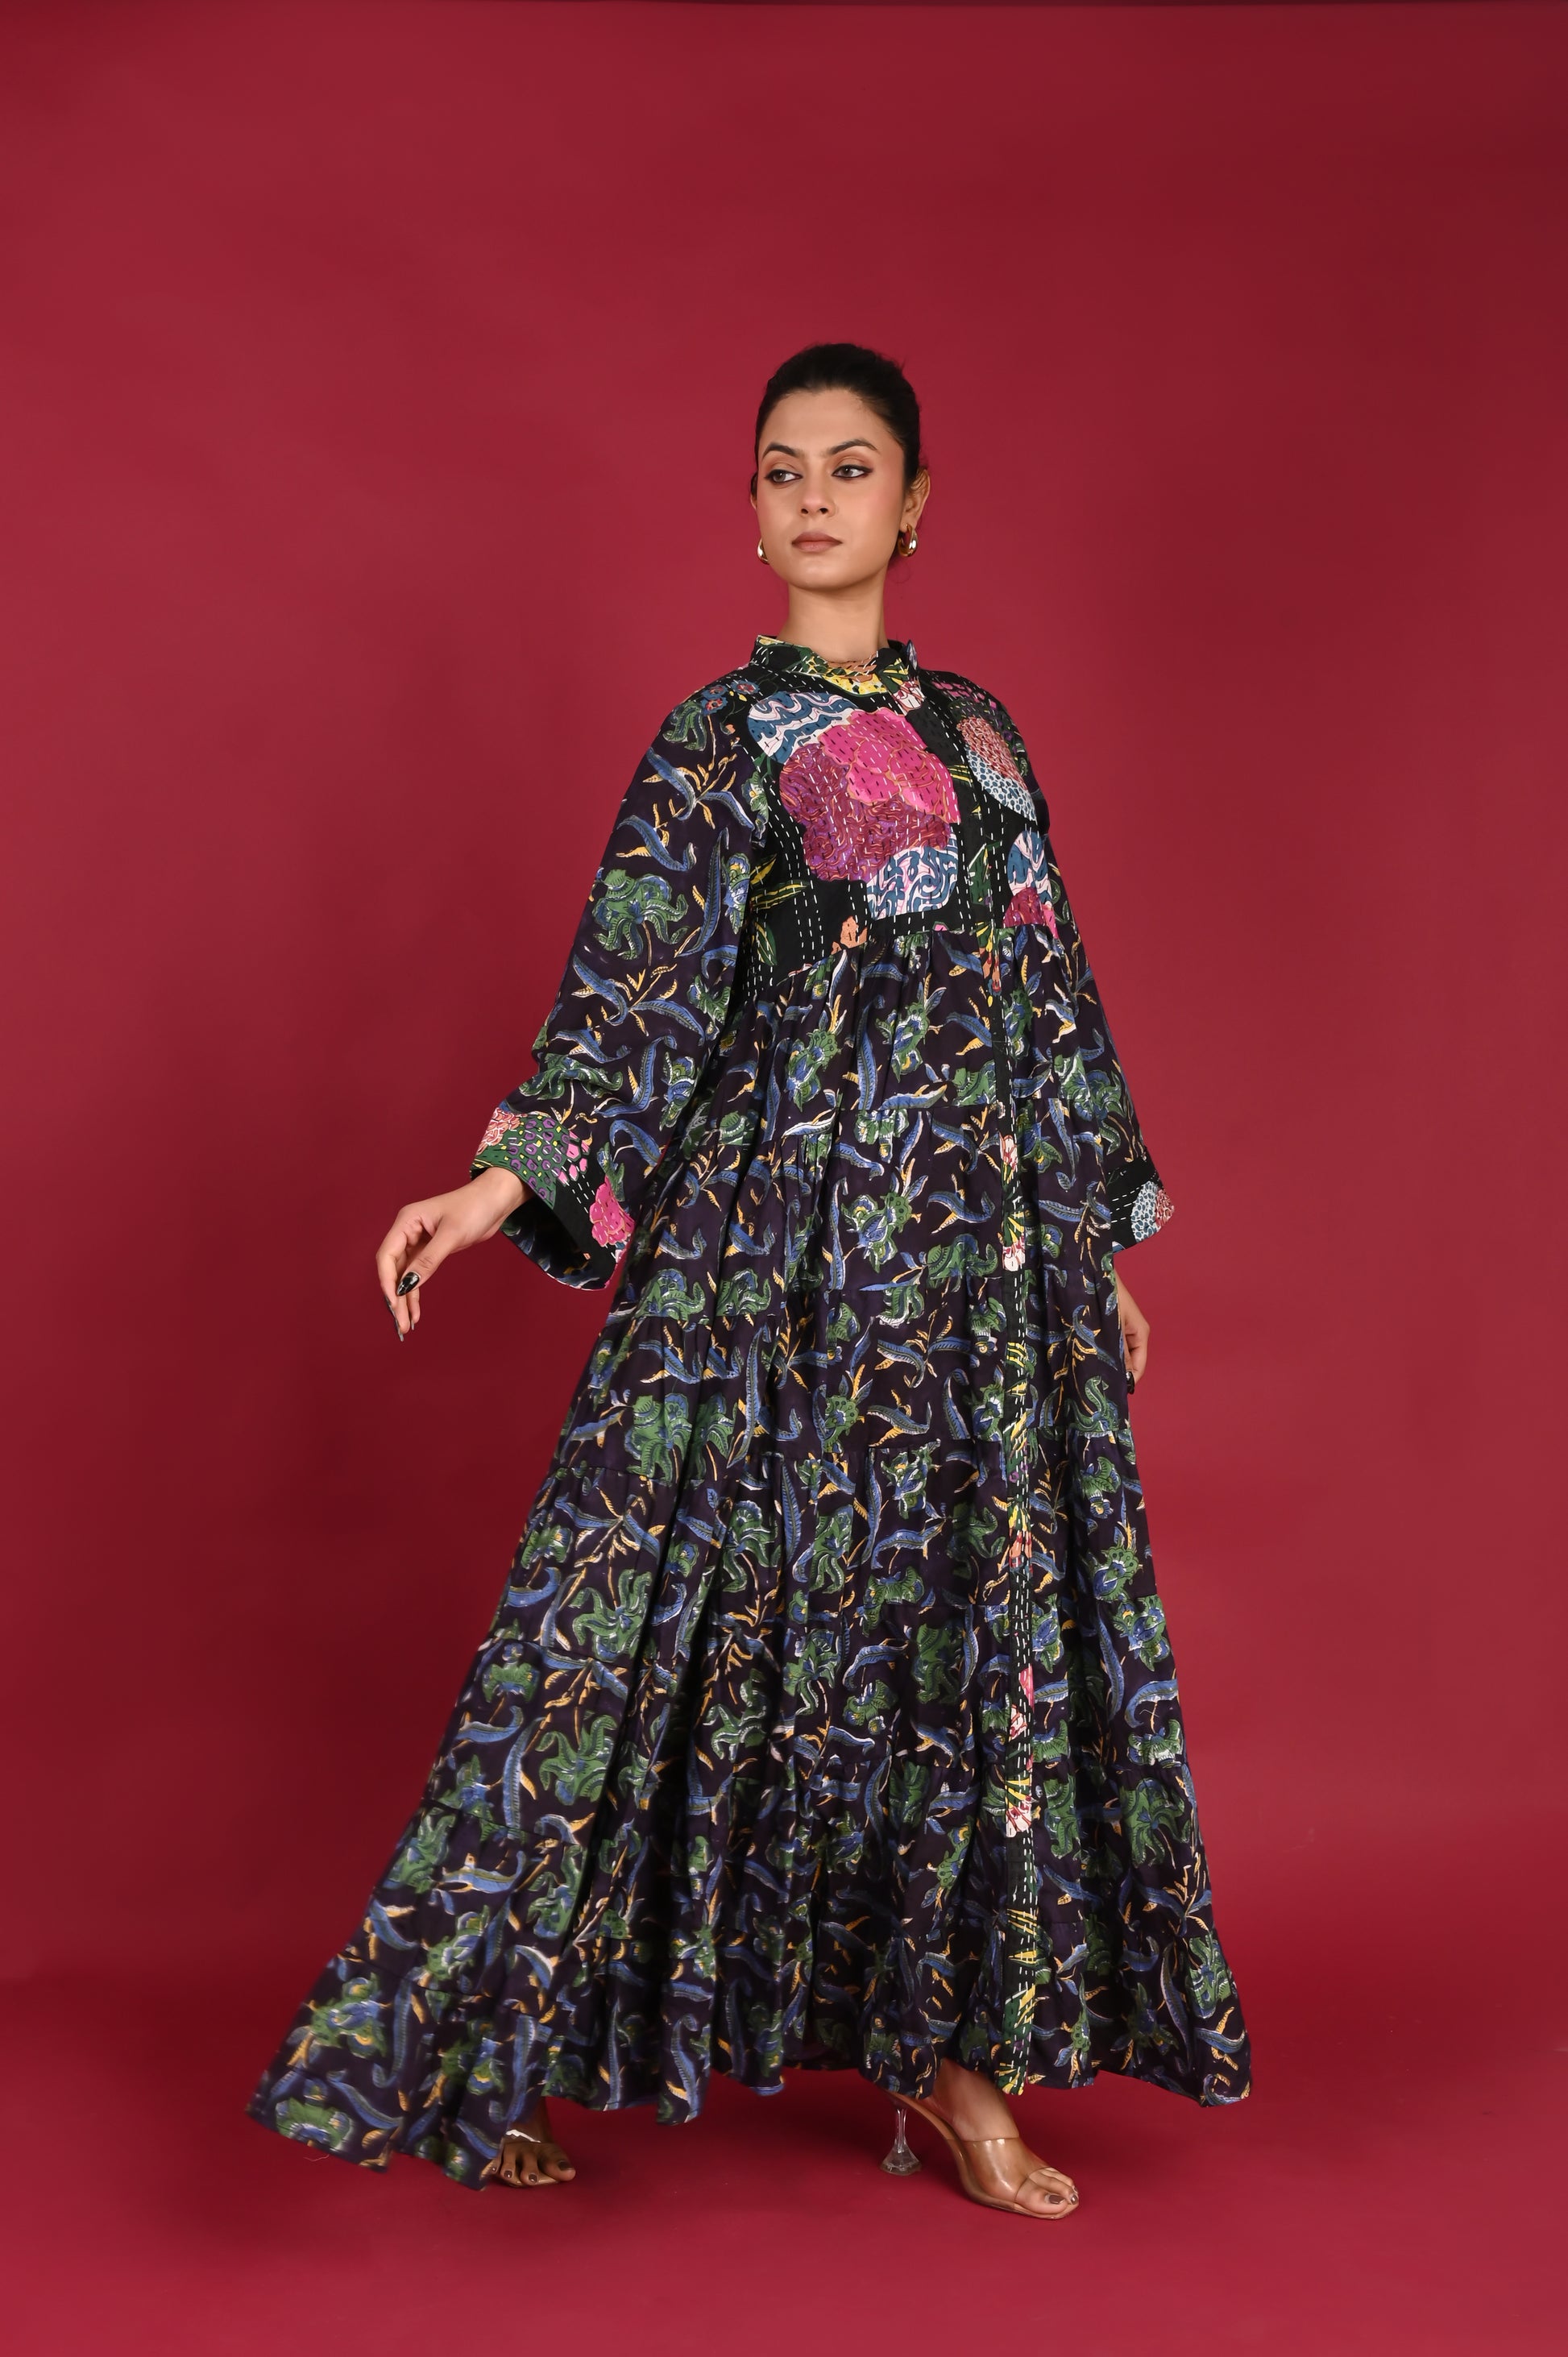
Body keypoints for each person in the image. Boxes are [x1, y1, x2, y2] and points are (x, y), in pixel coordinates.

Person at [249, 342, 1250, 2220]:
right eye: (782, 467)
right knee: (645, 1638)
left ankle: (947, 2066)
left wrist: (1091, 1238)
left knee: (954, 1647)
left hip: (974, 1286)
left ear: (912, 502)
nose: (812, 496)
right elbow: (636, 990)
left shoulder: (985, 738)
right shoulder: (718, 741)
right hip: (774, 1266)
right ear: (754, 506)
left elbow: (1048, 993)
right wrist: (498, 1179)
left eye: (850, 466)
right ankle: (494, 2051)